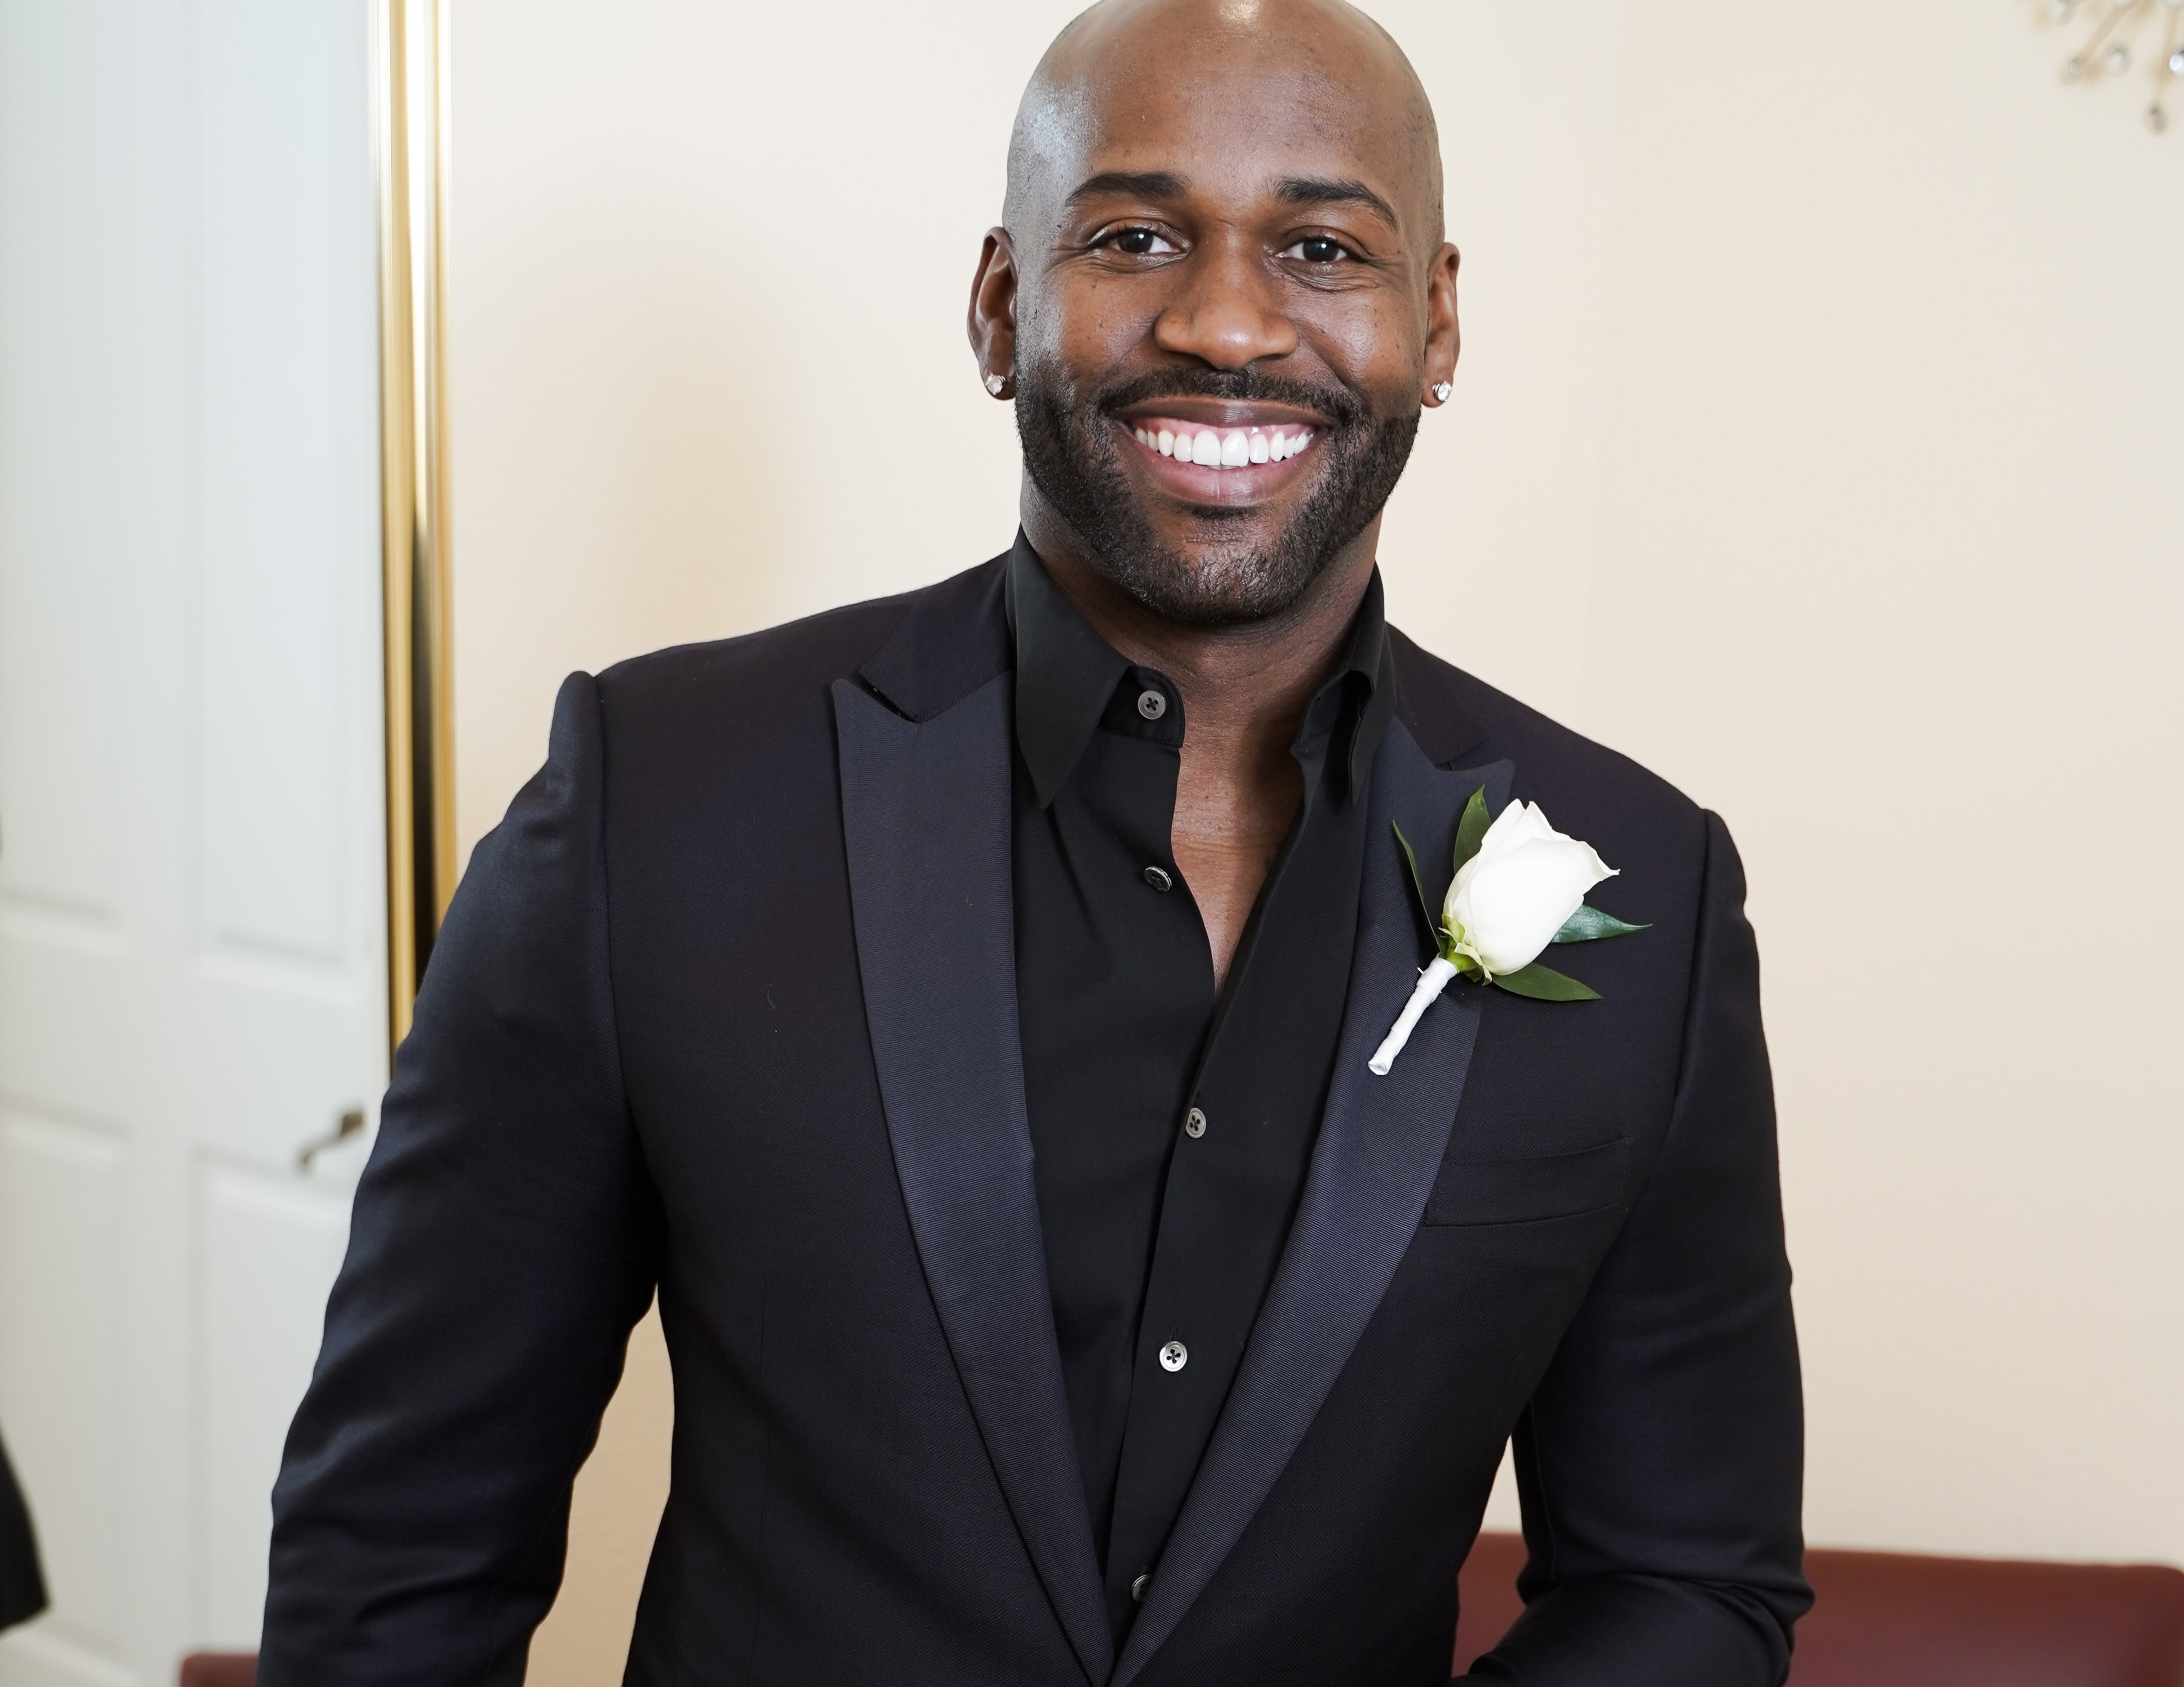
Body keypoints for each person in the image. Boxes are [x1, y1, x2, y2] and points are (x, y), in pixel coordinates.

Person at [261, 1, 1809, 1681]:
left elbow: (1686, 1578)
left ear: (1434, 324)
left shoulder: (1642, 886)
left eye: (1322, 246)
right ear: (1004, 306)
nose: (1228, 323)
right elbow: (400, 1550)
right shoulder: (657, 800)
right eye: (1137, 235)